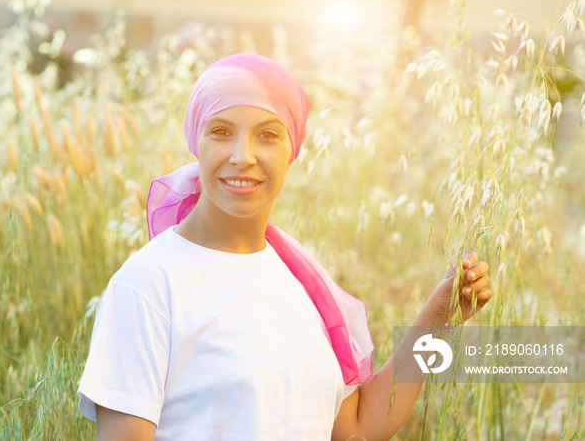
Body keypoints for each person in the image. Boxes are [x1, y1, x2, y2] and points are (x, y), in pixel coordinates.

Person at [77, 53, 492, 440]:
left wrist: (438, 319)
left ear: (291, 150)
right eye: (221, 132)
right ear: (195, 142)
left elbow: (360, 426)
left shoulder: (302, 281)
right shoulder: (148, 285)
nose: (243, 156)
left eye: (267, 135)